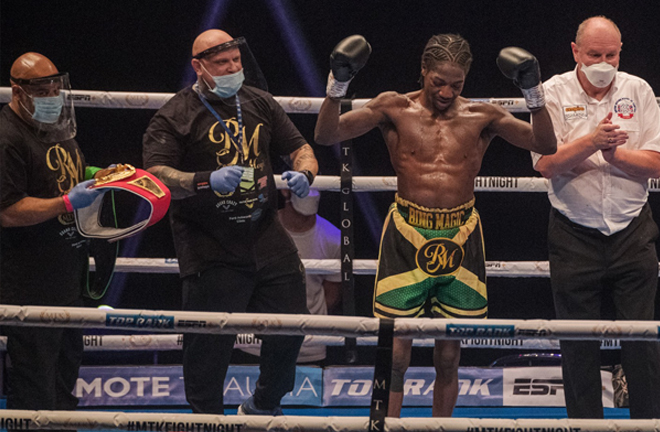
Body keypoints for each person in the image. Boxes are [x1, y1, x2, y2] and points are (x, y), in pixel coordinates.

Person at [314, 34, 557, 417]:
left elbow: (546, 144)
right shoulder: (393, 107)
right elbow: (327, 134)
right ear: (423, 72)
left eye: (456, 84)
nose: (446, 91)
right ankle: (387, 426)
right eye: (438, 82)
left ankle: (439, 428)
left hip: (460, 234)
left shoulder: (483, 116)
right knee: (395, 350)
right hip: (407, 232)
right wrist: (337, 85)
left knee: (448, 354)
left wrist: (534, 94)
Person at [142, 29, 319, 416]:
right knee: (207, 345)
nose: (232, 68)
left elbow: (300, 148)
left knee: (291, 326)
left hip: (264, 232)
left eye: (236, 60)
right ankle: (207, 420)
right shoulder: (174, 115)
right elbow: (155, 172)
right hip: (209, 243)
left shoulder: (259, 101)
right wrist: (203, 180)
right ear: (199, 66)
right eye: (222, 63)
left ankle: (264, 403)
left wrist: (304, 174)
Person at [532, 16, 660, 419]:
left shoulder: (638, 90)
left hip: (633, 230)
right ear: (575, 52)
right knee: (577, 345)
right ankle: (585, 429)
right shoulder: (550, 93)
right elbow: (546, 163)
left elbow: (656, 162)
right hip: (573, 234)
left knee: (642, 342)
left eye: (611, 54)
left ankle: (647, 426)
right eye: (595, 54)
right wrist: (591, 141)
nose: (604, 62)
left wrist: (615, 155)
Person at [0, 52, 104, 414]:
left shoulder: (57, 127)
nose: (53, 96)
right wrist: (65, 203)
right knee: (34, 385)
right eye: (43, 90)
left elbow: (64, 175)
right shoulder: (7, 138)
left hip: (67, 273)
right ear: (18, 90)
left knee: (64, 379)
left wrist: (101, 176)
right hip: (29, 279)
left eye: (56, 87)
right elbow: (7, 212)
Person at [239, 189, 342, 363]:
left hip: (309, 344)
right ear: (285, 191)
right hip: (254, 341)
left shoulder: (333, 238)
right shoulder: (259, 230)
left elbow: (331, 295)